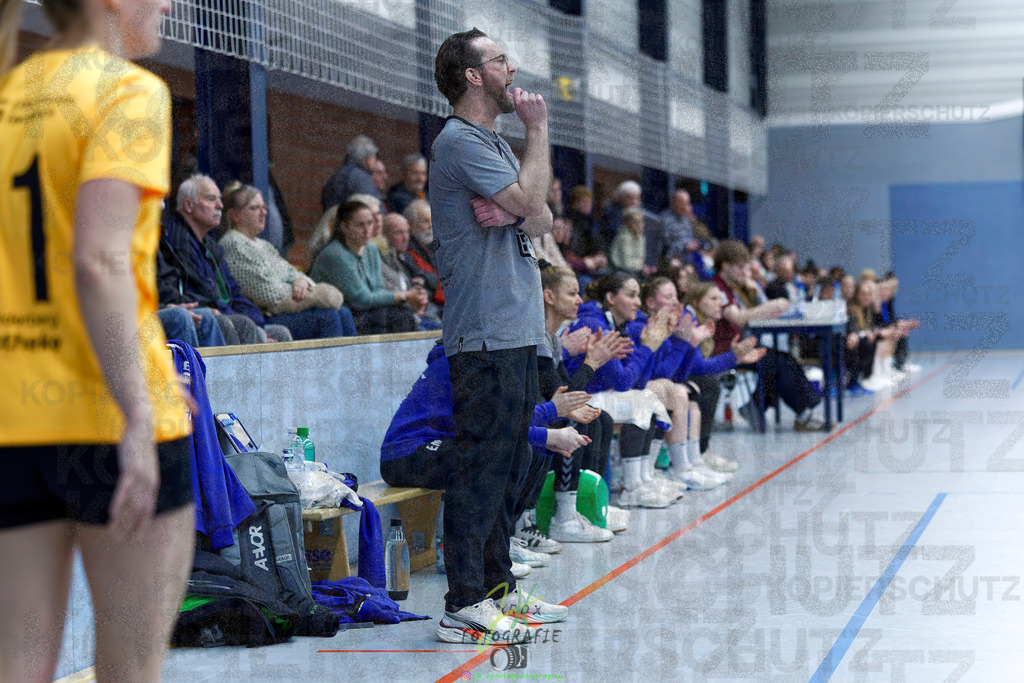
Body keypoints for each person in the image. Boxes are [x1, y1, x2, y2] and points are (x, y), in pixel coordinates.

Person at [0, 0, 196, 679]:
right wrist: (139, 411)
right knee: (129, 670)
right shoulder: (126, 89)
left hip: (13, 416)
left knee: (17, 664)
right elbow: (101, 260)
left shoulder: (9, 91)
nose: (168, 3)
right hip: (108, 413)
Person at [429, 27, 556, 644]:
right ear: (474, 76)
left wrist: (520, 204)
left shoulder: (494, 145)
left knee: (511, 463)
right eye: (501, 59)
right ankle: (462, 604)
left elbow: (544, 214)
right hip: (484, 331)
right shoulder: (460, 142)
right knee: (481, 467)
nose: (513, 68)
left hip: (516, 328)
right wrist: (539, 133)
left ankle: (499, 590)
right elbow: (533, 203)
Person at [163, 174, 293, 343]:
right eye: (211, 199)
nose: (220, 205)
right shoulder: (177, 240)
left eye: (219, 199)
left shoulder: (211, 245)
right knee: (243, 325)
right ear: (188, 205)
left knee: (278, 332)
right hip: (203, 316)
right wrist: (249, 322)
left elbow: (234, 292)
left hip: (227, 314)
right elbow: (204, 295)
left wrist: (256, 321)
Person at [218, 182, 356, 339]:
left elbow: (292, 272)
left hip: (284, 309)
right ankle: (331, 364)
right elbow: (268, 294)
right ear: (235, 215)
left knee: (342, 312)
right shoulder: (233, 243)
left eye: (264, 208)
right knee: (327, 317)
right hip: (261, 317)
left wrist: (302, 282)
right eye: (254, 208)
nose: (263, 213)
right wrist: (306, 292)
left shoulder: (263, 244)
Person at [309, 200, 425, 334]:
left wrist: (411, 299)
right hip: (336, 317)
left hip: (365, 314)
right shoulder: (335, 254)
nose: (366, 230)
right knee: (399, 319)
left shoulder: (371, 249)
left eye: (370, 223)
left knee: (407, 318)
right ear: (344, 227)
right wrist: (405, 296)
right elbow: (362, 299)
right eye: (359, 225)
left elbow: (378, 289)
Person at [320, 134, 381, 212]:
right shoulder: (362, 178)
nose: (375, 162)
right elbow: (373, 211)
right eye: (374, 157)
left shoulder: (336, 175)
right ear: (367, 159)